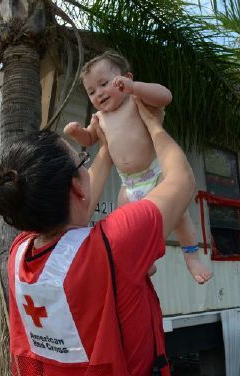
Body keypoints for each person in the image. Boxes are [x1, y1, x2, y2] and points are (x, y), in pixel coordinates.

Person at [0, 98, 194, 376]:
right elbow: (182, 181)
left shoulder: (20, 253)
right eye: (82, 161)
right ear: (76, 187)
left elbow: (73, 211)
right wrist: (154, 126)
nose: (86, 164)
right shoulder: (116, 242)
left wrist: (105, 149)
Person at [64, 50, 212, 284]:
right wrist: (77, 133)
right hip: (129, 183)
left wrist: (135, 87)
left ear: (126, 78)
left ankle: (191, 255)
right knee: (127, 221)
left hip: (156, 174)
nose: (99, 93)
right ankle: (147, 260)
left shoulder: (135, 100)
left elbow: (165, 96)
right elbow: (91, 139)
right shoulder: (99, 117)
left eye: (104, 84)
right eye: (91, 91)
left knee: (181, 217)